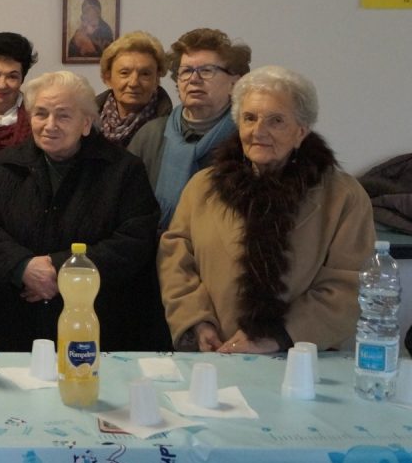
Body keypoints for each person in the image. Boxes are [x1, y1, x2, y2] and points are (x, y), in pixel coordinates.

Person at [159, 66, 374, 353]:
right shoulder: (202, 187)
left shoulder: (343, 197)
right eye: (249, 118)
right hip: (215, 353)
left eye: (276, 121)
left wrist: (277, 337)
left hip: (301, 359)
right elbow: (176, 258)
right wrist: (197, 322)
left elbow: (350, 285)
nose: (258, 132)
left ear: (301, 131)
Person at [0, 71, 164, 351]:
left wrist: (60, 270)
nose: (50, 125)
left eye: (63, 116)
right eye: (41, 114)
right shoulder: (5, 164)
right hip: (17, 323)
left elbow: (134, 241)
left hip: (97, 322)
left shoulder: (123, 170)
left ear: (86, 123)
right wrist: (22, 266)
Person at [129, 28, 251, 226]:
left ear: (234, 83)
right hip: (151, 250)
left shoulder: (247, 139)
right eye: (186, 71)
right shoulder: (150, 135)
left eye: (206, 70)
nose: (194, 79)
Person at [95, 30, 172, 147]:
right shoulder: (85, 121)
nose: (134, 83)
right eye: (124, 73)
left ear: (157, 79)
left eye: (145, 74)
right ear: (108, 78)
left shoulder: (171, 129)